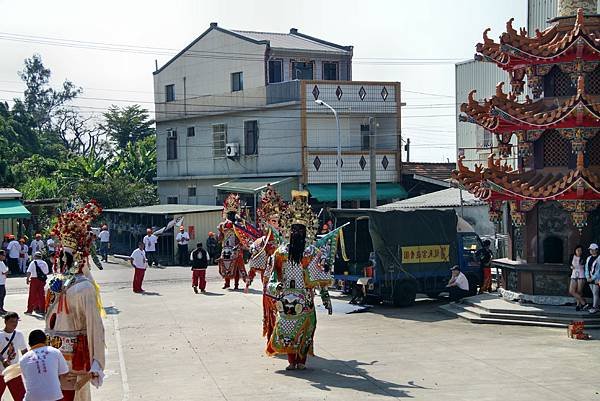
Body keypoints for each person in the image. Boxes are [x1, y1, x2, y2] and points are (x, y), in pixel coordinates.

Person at [266, 191, 333, 370]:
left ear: (307, 231)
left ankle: (301, 361)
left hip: (306, 299)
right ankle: (291, 360)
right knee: (286, 329)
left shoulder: (312, 253)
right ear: (289, 230)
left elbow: (320, 278)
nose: (297, 233)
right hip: (286, 299)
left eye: (301, 230)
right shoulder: (280, 253)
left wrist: (326, 297)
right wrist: (275, 286)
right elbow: (272, 276)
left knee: (306, 331)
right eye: (294, 229)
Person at [46, 200, 105, 401]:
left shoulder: (67, 285)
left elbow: (94, 326)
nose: (62, 259)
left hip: (64, 349)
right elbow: (93, 326)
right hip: (65, 350)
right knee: (68, 393)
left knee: (67, 392)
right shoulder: (70, 285)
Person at [20, 329, 69, 401]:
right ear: (46, 340)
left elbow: (29, 379)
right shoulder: (55, 352)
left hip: (32, 398)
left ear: (29, 344)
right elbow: (64, 373)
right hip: (55, 397)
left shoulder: (23, 359)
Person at [217, 194, 248, 290]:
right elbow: (220, 237)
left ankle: (236, 284)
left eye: (233, 214)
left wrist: (239, 245)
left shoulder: (239, 224)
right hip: (226, 248)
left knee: (237, 266)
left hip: (236, 248)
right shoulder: (222, 225)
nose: (231, 216)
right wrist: (219, 236)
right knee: (225, 265)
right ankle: (227, 283)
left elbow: (243, 237)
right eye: (229, 214)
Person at [0, 312, 27, 400]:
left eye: (16, 322)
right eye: (12, 321)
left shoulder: (19, 335)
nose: (14, 324)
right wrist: (3, 359)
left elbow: (24, 351)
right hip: (0, 372)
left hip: (14, 372)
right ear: (6, 322)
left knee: (20, 397)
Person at [569, 245, 588, 311]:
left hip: (581, 275)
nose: (579, 252)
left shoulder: (584, 258)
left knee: (579, 291)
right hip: (574, 275)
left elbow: (585, 266)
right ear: (575, 250)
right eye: (578, 250)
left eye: (580, 251)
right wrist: (571, 266)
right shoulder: (572, 256)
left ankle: (578, 305)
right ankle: (584, 303)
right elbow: (569, 263)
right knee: (571, 291)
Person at [584, 243, 600, 314]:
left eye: (592, 249)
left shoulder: (599, 258)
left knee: (595, 293)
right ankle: (596, 306)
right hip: (590, 277)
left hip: (597, 278)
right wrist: (587, 276)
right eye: (590, 250)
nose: (591, 251)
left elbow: (598, 270)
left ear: (596, 250)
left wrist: (593, 278)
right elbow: (586, 268)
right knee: (594, 293)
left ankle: (595, 307)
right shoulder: (588, 258)